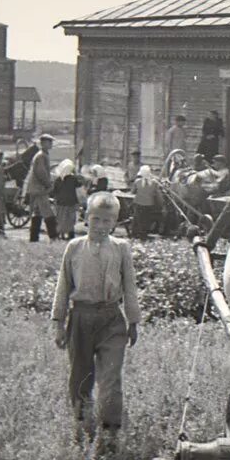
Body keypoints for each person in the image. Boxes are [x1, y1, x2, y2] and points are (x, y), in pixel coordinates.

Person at [52, 192, 140, 444]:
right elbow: (63, 285)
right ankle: (82, 425)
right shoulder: (75, 247)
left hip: (111, 319)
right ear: (86, 218)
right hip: (80, 317)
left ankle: (110, 430)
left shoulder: (121, 248)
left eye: (107, 221)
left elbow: (130, 287)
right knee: (80, 374)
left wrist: (133, 322)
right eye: (96, 219)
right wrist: (59, 323)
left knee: (111, 376)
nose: (101, 226)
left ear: (115, 223)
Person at [24, 134, 58, 242]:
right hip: (40, 189)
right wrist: (49, 185)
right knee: (48, 213)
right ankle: (53, 237)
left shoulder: (41, 155)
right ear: (43, 143)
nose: (51, 144)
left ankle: (33, 238)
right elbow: (41, 173)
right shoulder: (41, 156)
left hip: (35, 189)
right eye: (49, 142)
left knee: (37, 213)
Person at [52, 159, 83, 239]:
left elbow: (54, 191)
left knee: (61, 219)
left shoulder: (58, 180)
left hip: (60, 203)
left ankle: (59, 234)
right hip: (71, 203)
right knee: (70, 219)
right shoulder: (73, 179)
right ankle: (70, 234)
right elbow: (79, 184)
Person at [131, 166, 160, 240]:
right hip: (149, 204)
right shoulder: (154, 183)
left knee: (138, 218)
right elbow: (156, 194)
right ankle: (144, 233)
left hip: (138, 203)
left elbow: (133, 192)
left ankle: (135, 233)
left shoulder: (137, 182)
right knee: (146, 219)